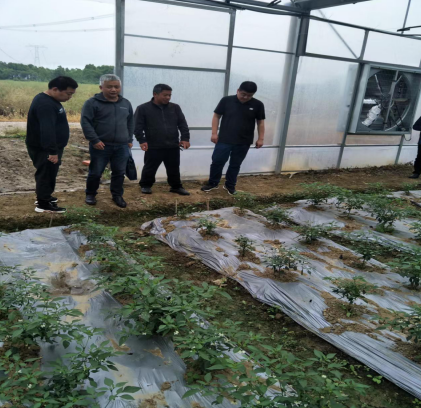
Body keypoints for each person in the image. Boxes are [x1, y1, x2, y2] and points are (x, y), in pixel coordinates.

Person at [201, 81, 265, 195]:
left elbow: (260, 122)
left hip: (244, 141)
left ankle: (230, 185)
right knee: (217, 161)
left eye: (249, 95)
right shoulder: (226, 100)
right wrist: (214, 133)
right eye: (243, 94)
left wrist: (261, 138)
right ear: (238, 90)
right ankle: (213, 183)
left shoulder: (258, 104)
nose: (246, 97)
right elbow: (216, 116)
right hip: (224, 139)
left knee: (235, 164)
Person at [26, 76, 78, 213]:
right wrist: (52, 152)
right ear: (55, 89)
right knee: (46, 173)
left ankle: (45, 196)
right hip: (45, 148)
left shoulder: (50, 100)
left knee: (49, 172)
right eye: (68, 93)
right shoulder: (45, 104)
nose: (69, 97)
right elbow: (47, 129)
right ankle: (43, 204)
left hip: (49, 147)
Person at [81, 74, 134, 208]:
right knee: (96, 172)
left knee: (119, 172)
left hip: (121, 146)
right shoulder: (92, 103)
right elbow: (86, 123)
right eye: (109, 87)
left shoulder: (125, 103)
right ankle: (90, 194)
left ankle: (117, 195)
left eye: (116, 87)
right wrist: (94, 140)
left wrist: (129, 139)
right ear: (101, 87)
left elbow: (130, 122)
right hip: (101, 145)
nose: (113, 90)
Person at [134, 84, 190, 196]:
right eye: (165, 95)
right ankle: (146, 185)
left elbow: (182, 124)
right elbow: (137, 127)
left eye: (169, 95)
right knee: (150, 167)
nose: (168, 97)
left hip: (173, 144)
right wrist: (142, 140)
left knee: (174, 167)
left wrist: (185, 138)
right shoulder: (143, 108)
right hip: (153, 145)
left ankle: (176, 186)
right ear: (155, 94)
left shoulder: (175, 108)